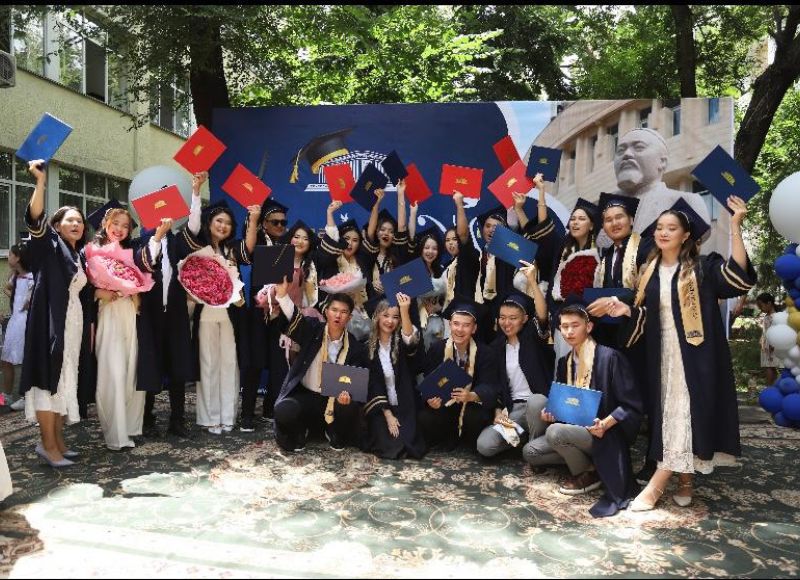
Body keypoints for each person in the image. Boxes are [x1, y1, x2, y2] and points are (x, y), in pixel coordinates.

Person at [605, 195, 756, 511]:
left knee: (684, 409)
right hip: (662, 355)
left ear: (686, 235)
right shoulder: (649, 272)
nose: (663, 232)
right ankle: (685, 480)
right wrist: (626, 310)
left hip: (696, 356)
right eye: (659, 227)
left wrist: (735, 225)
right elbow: (647, 315)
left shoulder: (703, 268)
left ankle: (657, 485)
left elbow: (738, 278)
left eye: (671, 228)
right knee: (670, 413)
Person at [522, 303, 643, 517]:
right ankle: (593, 465)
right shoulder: (564, 363)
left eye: (575, 325)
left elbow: (631, 405)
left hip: (604, 433)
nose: (569, 331)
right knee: (530, 452)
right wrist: (551, 414)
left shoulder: (609, 358)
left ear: (589, 327)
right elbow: (565, 402)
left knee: (555, 433)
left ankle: (587, 473)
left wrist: (605, 424)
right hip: (574, 429)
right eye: (564, 326)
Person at [20, 160, 93, 467]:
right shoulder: (49, 244)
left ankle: (57, 442)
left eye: (80, 221)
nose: (76, 224)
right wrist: (40, 183)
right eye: (70, 220)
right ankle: (48, 446)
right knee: (48, 381)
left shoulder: (78, 254)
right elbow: (35, 218)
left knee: (64, 380)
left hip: (72, 322)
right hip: (50, 323)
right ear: (57, 225)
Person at [87, 203, 170, 450]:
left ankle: (131, 428)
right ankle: (115, 434)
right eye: (115, 223)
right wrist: (98, 292)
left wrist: (158, 235)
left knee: (132, 372)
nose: (120, 229)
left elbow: (148, 261)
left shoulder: (131, 251)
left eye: (125, 225)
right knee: (112, 373)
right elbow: (81, 285)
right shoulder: (92, 251)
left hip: (131, 316)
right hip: (109, 315)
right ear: (105, 224)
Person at [181, 198, 259, 435]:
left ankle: (227, 416)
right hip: (205, 314)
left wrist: (254, 219)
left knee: (229, 364)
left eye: (227, 223)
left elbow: (249, 248)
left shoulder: (232, 249)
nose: (223, 226)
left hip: (230, 314)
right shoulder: (198, 248)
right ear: (209, 222)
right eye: (219, 221)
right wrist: (196, 193)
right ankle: (210, 418)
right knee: (208, 365)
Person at [142, 171, 206, 438]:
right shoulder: (142, 241)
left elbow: (194, 228)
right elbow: (146, 261)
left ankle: (177, 420)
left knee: (178, 367)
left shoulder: (178, 241)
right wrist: (157, 236)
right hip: (150, 315)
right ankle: (147, 419)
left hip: (176, 314)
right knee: (150, 366)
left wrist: (196, 192)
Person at [272, 284, 369, 452]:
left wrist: (347, 396)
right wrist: (282, 295)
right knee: (284, 410)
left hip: (333, 401)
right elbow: (295, 317)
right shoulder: (312, 330)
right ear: (326, 312)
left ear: (349, 317)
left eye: (343, 312)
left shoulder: (355, 347)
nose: (338, 315)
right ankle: (300, 431)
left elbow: (356, 381)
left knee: (349, 405)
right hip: (307, 395)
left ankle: (335, 432)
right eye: (334, 310)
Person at [476, 287, 554, 458]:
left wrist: (532, 282)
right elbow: (496, 385)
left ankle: (534, 448)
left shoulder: (534, 339)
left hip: (539, 407)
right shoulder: (496, 348)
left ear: (524, 319)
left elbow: (542, 316)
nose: (506, 323)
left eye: (513, 318)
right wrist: (498, 411)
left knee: (536, 401)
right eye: (502, 317)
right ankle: (524, 438)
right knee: (485, 445)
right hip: (514, 410)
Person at [417, 297, 500, 451]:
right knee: (425, 418)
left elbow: (490, 385)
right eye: (456, 324)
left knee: (475, 417)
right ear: (450, 325)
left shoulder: (486, 353)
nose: (460, 330)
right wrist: (430, 399)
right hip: (445, 405)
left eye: (466, 325)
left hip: (471, 406)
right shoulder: (437, 349)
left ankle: (468, 442)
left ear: (474, 328)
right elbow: (429, 381)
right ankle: (446, 439)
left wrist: (472, 395)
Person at [241, 198, 291, 431]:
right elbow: (247, 250)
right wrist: (253, 219)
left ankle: (270, 408)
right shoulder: (257, 241)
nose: (280, 226)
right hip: (257, 311)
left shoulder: (287, 246)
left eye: (283, 222)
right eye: (275, 222)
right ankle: (247, 414)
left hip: (279, 311)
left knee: (278, 361)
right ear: (264, 224)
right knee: (254, 363)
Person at [611, 128, 711, 241]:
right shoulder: (606, 208)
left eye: (639, 147)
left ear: (662, 162)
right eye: (620, 151)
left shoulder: (689, 203)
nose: (626, 154)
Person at [363, 294, 427, 459]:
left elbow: (410, 339)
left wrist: (404, 310)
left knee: (408, 442)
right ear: (377, 317)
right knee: (389, 442)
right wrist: (388, 414)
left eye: (395, 317)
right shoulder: (367, 349)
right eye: (385, 315)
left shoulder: (401, 345)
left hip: (404, 403)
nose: (390, 321)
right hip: (381, 407)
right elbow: (372, 385)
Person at [316, 201, 374, 341]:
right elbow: (332, 237)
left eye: (355, 240)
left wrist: (375, 204)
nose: (350, 243)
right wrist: (330, 213)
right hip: (336, 315)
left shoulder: (362, 261)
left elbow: (371, 234)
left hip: (361, 313)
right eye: (346, 239)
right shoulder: (331, 260)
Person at [363, 181, 408, 299]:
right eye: (382, 230)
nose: (386, 233)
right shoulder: (369, 253)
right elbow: (370, 230)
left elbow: (402, 227)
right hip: (372, 302)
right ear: (377, 233)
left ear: (394, 236)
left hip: (394, 302)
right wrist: (377, 203)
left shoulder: (397, 255)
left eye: (391, 231)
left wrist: (400, 194)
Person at [2, 242, 33, 410]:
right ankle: (5, 396)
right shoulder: (15, 277)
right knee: (6, 359)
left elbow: (30, 302)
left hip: (25, 322)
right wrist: (14, 296)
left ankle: (26, 396)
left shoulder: (31, 278)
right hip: (14, 321)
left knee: (24, 360)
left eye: (10, 255)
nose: (8, 258)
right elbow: (7, 288)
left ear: (18, 258)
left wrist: (23, 302)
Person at [755, 293, 780, 390]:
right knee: (769, 367)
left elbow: (776, 331)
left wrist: (773, 343)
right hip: (766, 344)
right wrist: (762, 339)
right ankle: (773, 387)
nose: (760, 308)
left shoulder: (775, 316)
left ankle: (770, 387)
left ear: (769, 303)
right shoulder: (767, 316)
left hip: (771, 344)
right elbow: (765, 330)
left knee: (770, 367)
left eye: (761, 305)